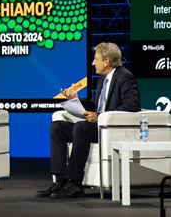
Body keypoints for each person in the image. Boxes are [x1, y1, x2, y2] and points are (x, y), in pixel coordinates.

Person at [36, 42, 141, 199]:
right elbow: (97, 104)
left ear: (106, 62)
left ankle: (74, 183)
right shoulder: (102, 79)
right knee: (57, 127)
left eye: (96, 59)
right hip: (96, 127)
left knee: (81, 127)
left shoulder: (125, 76)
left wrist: (101, 117)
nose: (93, 63)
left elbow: (132, 105)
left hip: (110, 129)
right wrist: (76, 100)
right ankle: (59, 180)